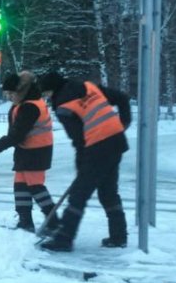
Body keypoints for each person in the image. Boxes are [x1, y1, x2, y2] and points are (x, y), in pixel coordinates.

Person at [35, 71, 132, 252]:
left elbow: (79, 140)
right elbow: (121, 98)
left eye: (46, 93)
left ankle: (64, 239)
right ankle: (119, 236)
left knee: (78, 195)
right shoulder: (88, 86)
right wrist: (123, 124)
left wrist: (82, 167)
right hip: (116, 143)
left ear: (52, 90)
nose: (46, 97)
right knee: (108, 192)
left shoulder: (63, 105)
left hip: (97, 148)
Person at [0, 70, 58, 235]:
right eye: (7, 93)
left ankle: (54, 222)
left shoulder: (30, 107)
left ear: (20, 91)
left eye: (11, 93)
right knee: (20, 187)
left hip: (37, 152)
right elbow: (16, 134)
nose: (8, 97)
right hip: (26, 150)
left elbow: (17, 134)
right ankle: (25, 222)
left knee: (36, 187)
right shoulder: (22, 104)